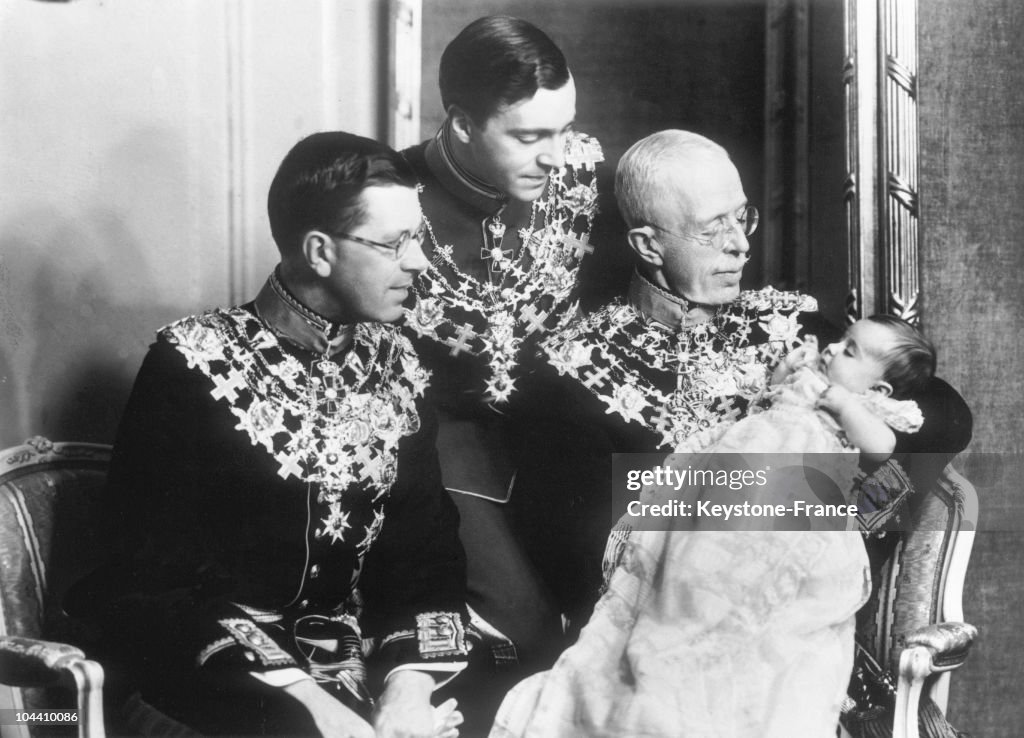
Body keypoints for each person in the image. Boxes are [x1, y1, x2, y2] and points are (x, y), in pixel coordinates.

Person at [68, 132, 470, 738]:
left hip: (362, 671)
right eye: (394, 244)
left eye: (417, 239)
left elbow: (426, 559)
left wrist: (407, 693)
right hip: (218, 680)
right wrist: (318, 710)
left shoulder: (399, 366)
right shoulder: (193, 364)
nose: (418, 261)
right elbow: (152, 585)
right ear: (319, 251)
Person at [400, 15, 605, 685]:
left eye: (564, 129)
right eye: (529, 136)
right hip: (440, 449)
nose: (555, 154)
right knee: (531, 638)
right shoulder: (385, 195)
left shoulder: (581, 176)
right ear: (461, 122)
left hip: (567, 442)